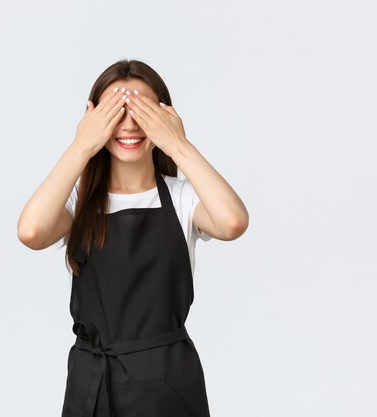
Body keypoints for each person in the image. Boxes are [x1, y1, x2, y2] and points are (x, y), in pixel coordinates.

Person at [17, 59, 249, 417]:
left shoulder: (182, 197)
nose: (129, 124)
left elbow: (233, 222)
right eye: (115, 111)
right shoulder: (78, 200)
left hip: (168, 388)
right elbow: (31, 232)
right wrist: (81, 146)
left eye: (141, 110)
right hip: (93, 384)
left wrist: (178, 144)